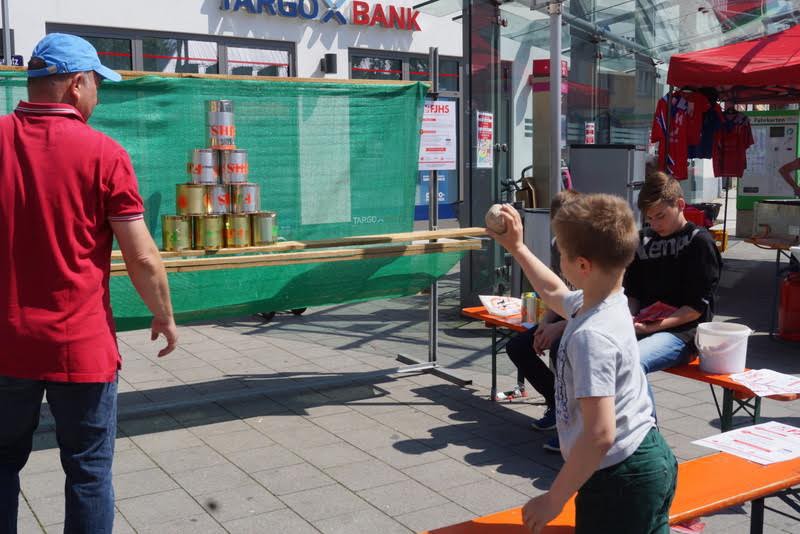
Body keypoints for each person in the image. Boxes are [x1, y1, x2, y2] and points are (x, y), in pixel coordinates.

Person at [0, 34, 177, 533]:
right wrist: (163, 314)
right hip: (80, 348)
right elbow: (141, 256)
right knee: (89, 470)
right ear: (76, 84)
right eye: (98, 83)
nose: (99, 95)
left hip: (6, 344)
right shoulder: (105, 154)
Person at [489, 197, 677, 534]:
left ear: (582, 266)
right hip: (640, 461)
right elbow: (553, 291)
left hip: (620, 477)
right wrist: (516, 248)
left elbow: (600, 434)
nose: (558, 260)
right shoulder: (603, 302)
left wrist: (554, 499)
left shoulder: (592, 336)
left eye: (561, 254)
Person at [624, 172, 722, 382]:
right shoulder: (643, 239)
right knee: (582, 347)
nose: (655, 224)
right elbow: (633, 293)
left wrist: (653, 326)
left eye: (661, 216)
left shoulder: (699, 242)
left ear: (680, 204)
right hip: (643, 324)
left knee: (631, 363)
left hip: (683, 333)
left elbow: (695, 309)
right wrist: (629, 318)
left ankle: (643, 417)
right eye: (649, 218)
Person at [505, 190, 579, 451]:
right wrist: (547, 323)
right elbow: (556, 292)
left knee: (562, 349)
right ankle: (556, 405)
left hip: (585, 318)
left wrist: (559, 328)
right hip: (565, 312)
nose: (560, 234)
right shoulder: (556, 245)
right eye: (557, 225)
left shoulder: (590, 247)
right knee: (517, 346)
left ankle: (570, 424)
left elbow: (594, 305)